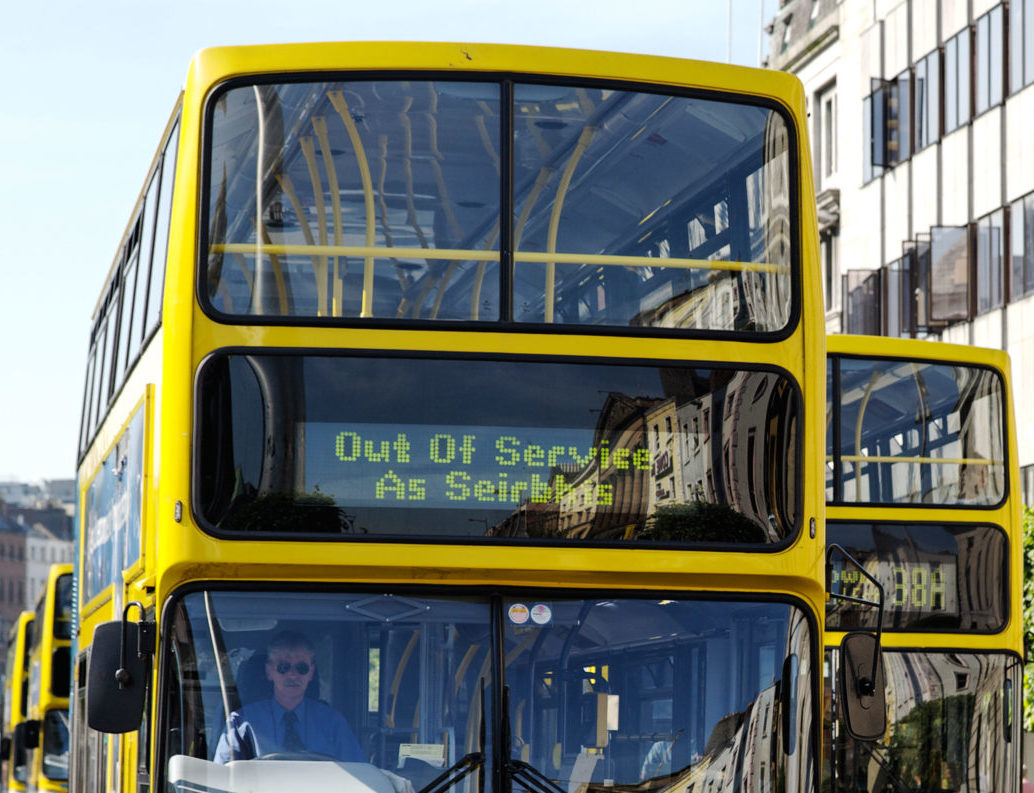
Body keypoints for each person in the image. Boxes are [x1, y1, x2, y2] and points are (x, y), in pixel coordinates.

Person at [214, 630, 365, 763]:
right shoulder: (241, 723)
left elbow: (359, 775)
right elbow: (222, 781)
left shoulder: (334, 724)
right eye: (283, 667)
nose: (293, 675)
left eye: (301, 668)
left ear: (311, 672)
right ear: (269, 671)